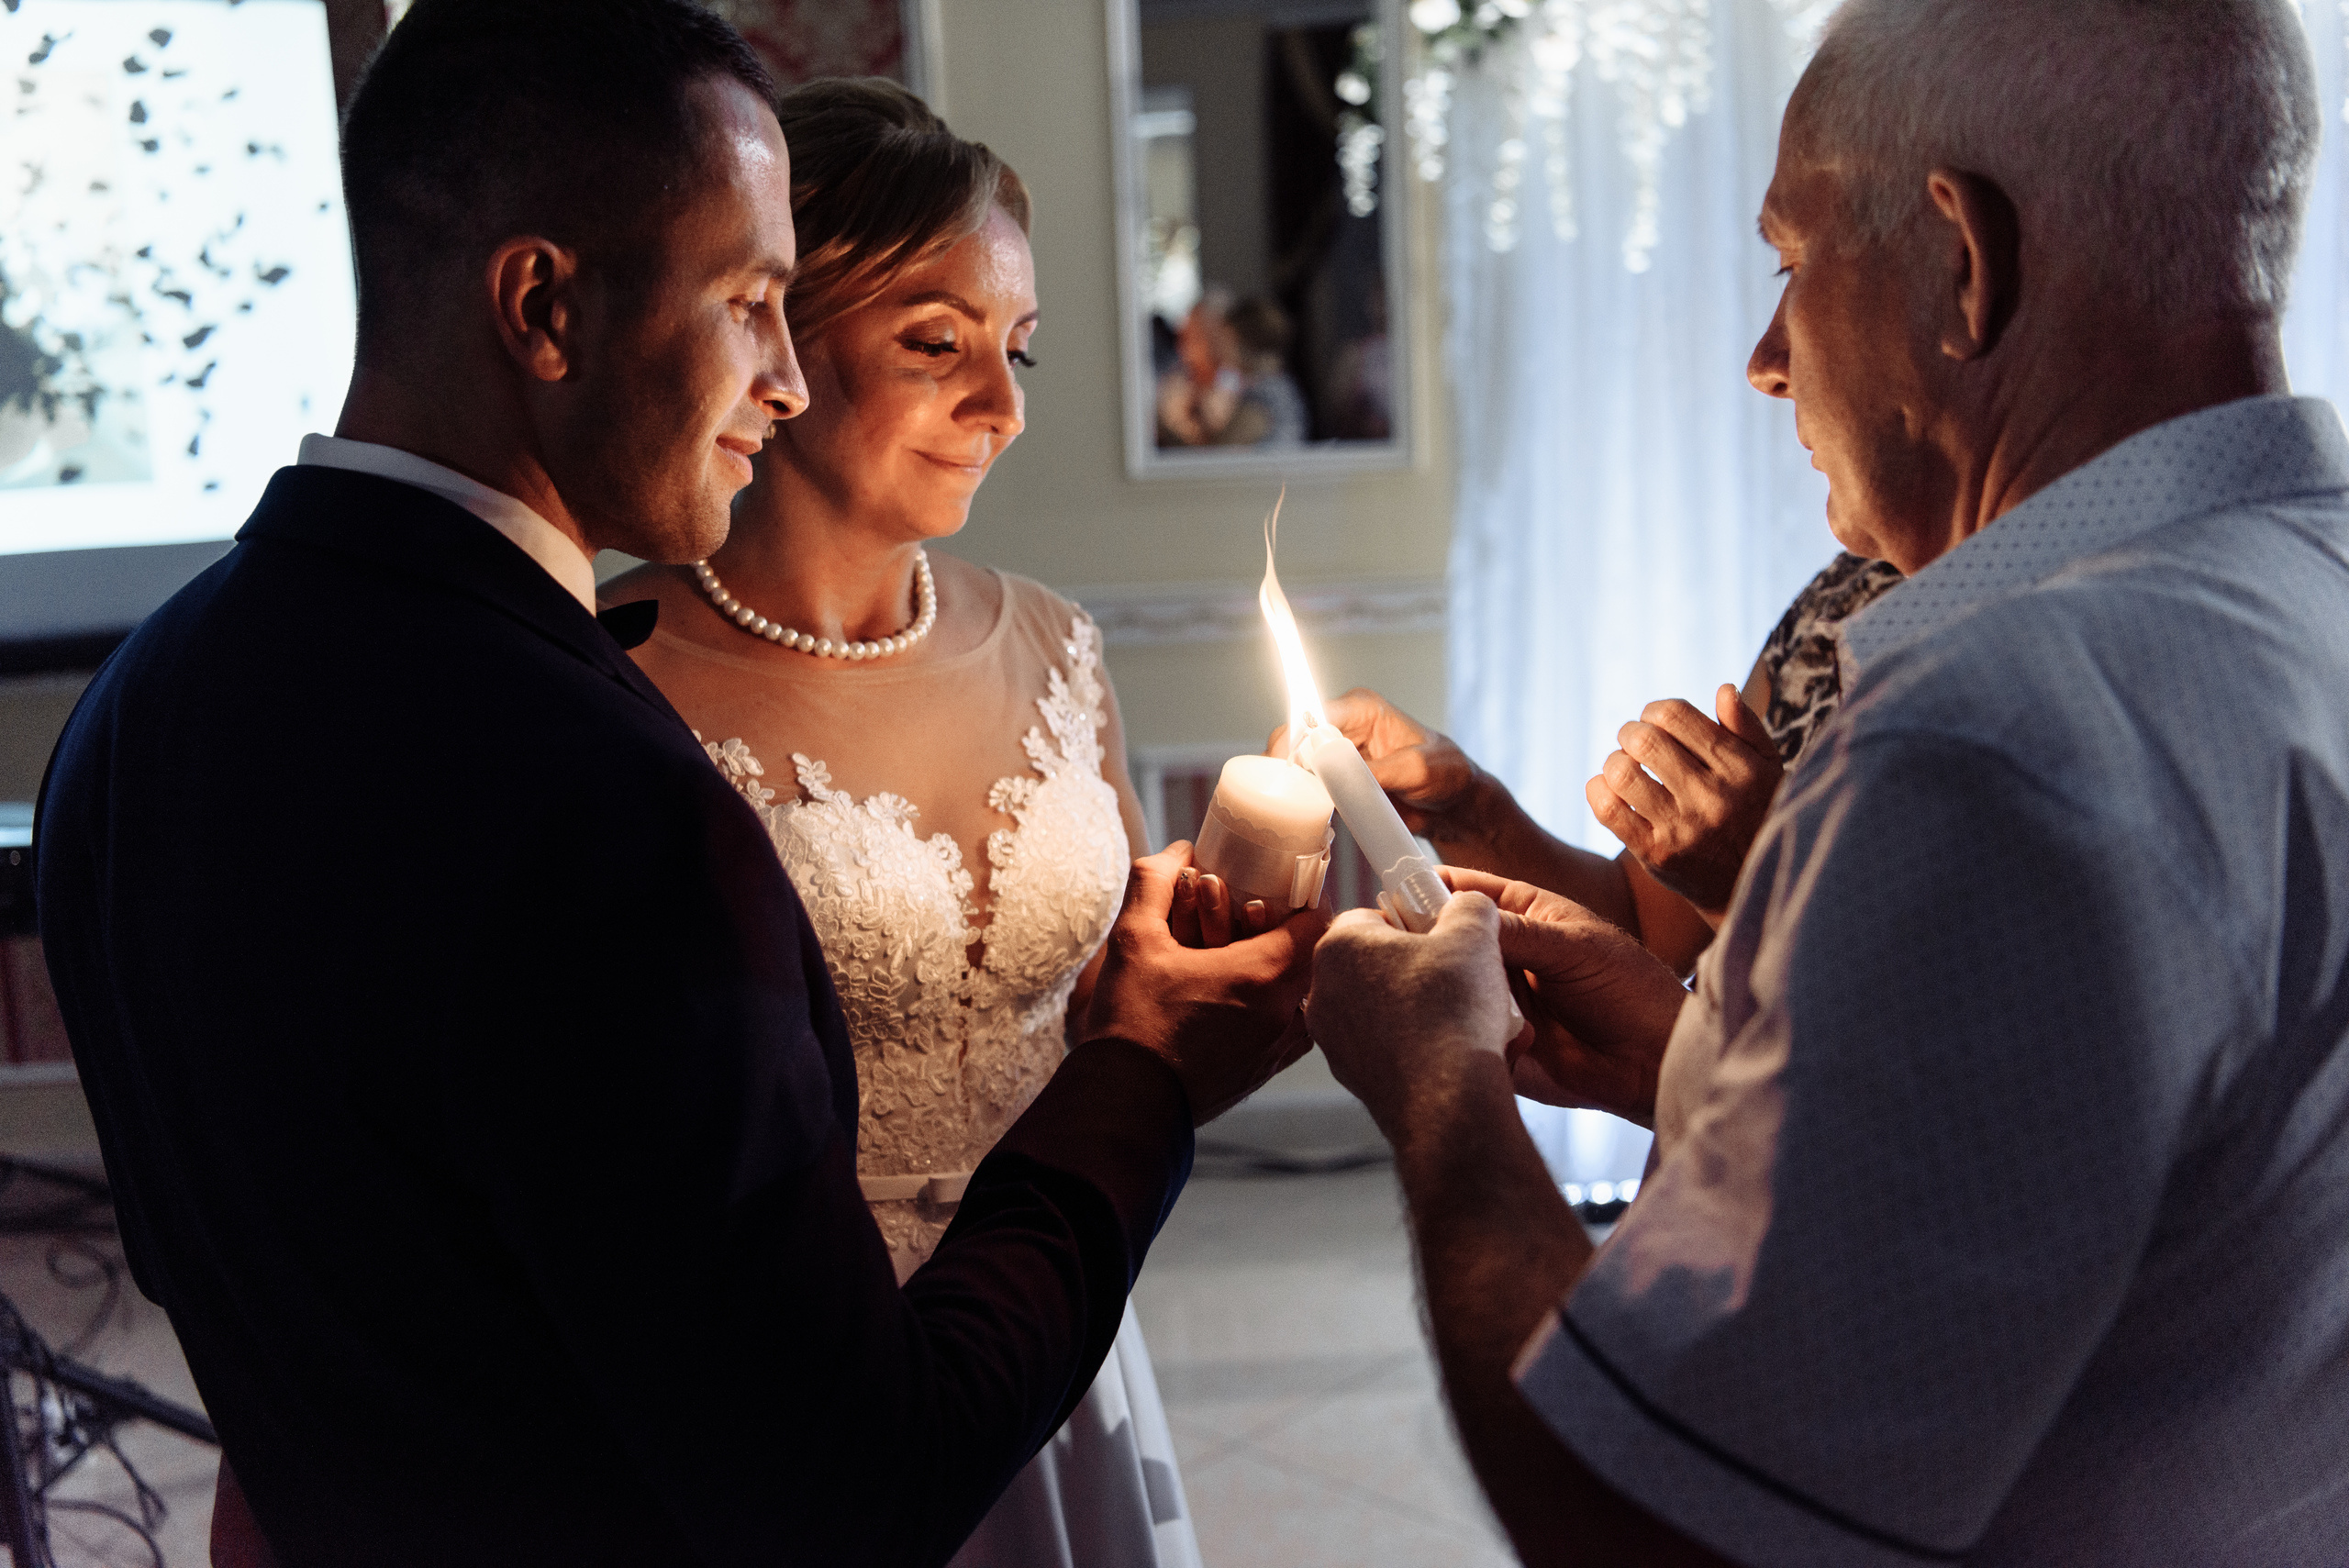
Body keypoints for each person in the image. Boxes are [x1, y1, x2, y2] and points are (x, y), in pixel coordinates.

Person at [31, 5, 1322, 1565]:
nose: (779, 381)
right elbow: (845, 1478)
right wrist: (1147, 1077)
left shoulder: (130, 716)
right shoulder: (605, 798)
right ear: (543, 304)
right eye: (752, 302)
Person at [1308, 1, 2349, 1564]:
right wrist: (1695, 1038)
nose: (1762, 357)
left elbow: (1656, 1520)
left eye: (1791, 264)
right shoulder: (2300, 585)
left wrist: (1436, 1083)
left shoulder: (2000, 732)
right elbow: (2114, 1157)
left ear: (1961, 260)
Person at [605, 78, 1206, 1568]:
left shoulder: (1057, 644)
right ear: (773, 335)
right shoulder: (605, 677)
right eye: (936, 345)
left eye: (1019, 350)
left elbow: (1114, 1017)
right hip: (798, 1371)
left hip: (1059, 1324)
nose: (1001, 405)